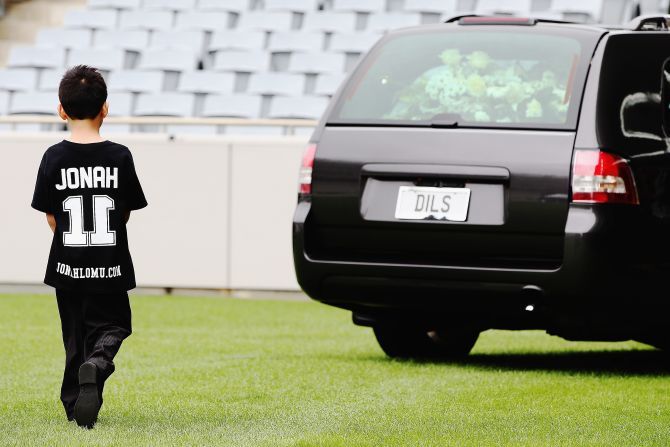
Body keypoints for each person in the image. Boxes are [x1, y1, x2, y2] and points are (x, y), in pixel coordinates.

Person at [31, 65, 147, 428]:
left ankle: (73, 406)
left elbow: (51, 217)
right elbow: (124, 213)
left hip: (67, 265)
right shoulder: (120, 157)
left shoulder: (53, 157)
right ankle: (96, 365)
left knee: (74, 335)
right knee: (114, 326)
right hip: (109, 264)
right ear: (105, 108)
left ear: (61, 110)